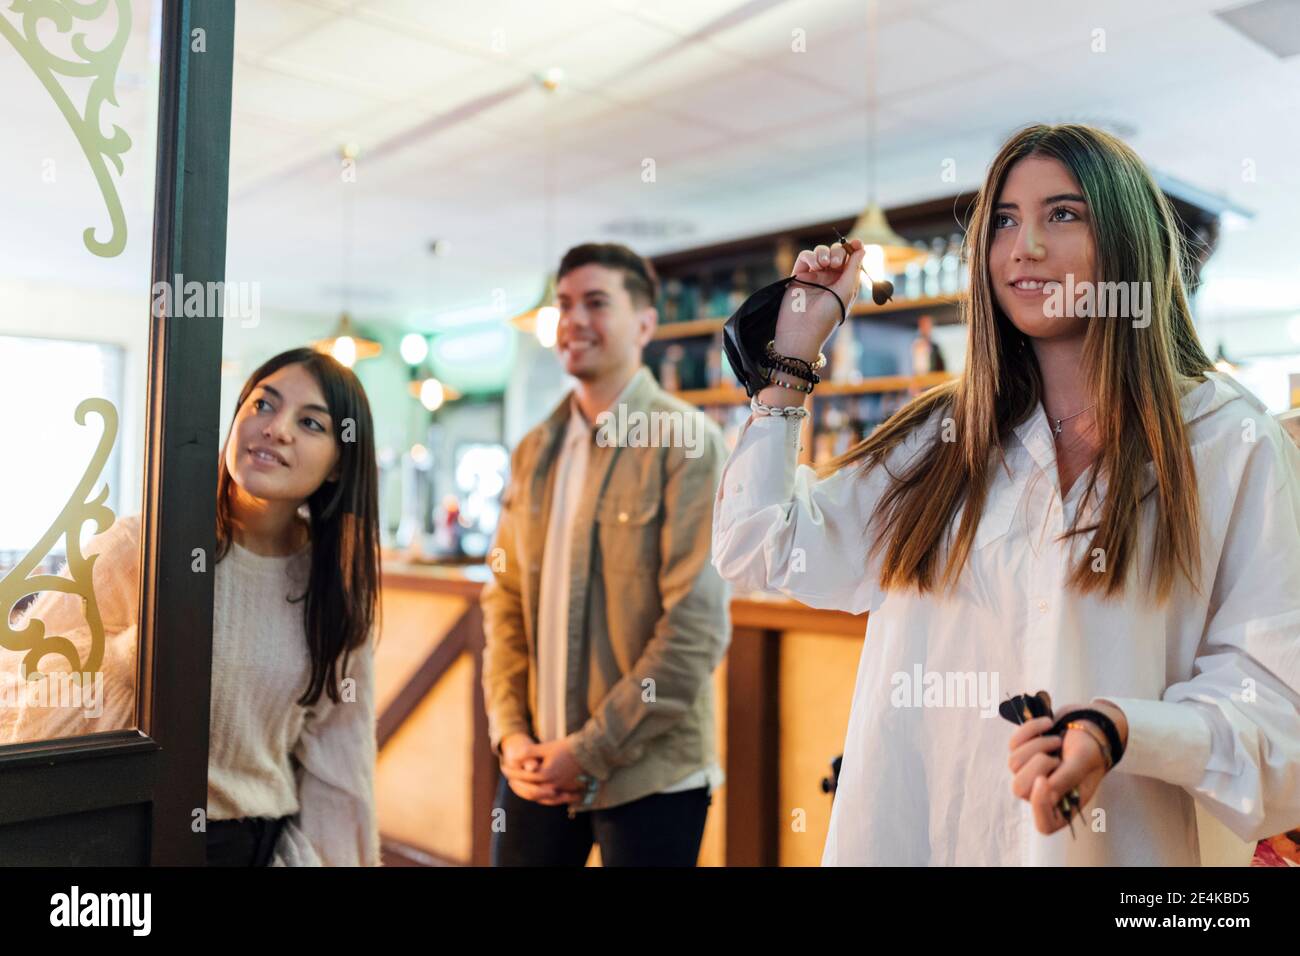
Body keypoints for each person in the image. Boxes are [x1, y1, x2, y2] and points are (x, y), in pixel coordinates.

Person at [711, 123, 1300, 865]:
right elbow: (760, 547)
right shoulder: (937, 441)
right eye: (1003, 222)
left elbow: (1276, 706)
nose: (1024, 248)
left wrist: (1123, 729)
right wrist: (789, 365)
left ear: (1128, 242)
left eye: (1063, 214)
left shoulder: (1224, 443)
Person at [5, 348, 381, 866]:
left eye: (310, 422)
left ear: (339, 465)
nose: (276, 429)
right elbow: (27, 670)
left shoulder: (334, 589)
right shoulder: (149, 543)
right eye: (263, 405)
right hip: (127, 836)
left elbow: (338, 765)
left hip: (253, 847)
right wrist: (131, 656)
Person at [481, 242, 730, 866]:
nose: (573, 320)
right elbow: (503, 601)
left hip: (651, 774)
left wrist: (589, 750)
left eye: (596, 302)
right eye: (564, 305)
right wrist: (509, 732)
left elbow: (695, 629)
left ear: (645, 323)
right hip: (536, 763)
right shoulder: (534, 449)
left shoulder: (689, 442)